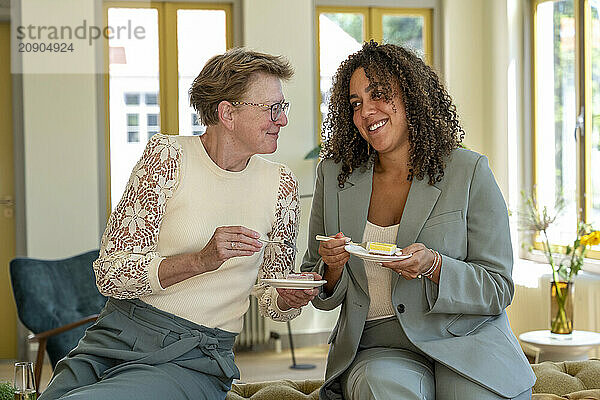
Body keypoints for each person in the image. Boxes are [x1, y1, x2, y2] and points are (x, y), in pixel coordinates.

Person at [39, 48, 320, 400]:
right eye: (272, 109)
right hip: (116, 334)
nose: (283, 120)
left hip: (194, 357)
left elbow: (272, 299)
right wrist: (200, 261)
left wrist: (289, 297)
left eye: (283, 107)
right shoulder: (167, 158)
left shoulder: (281, 185)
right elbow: (110, 273)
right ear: (228, 113)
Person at [301, 41, 535, 400]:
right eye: (355, 103)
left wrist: (435, 266)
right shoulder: (334, 176)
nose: (366, 112)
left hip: (467, 339)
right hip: (379, 346)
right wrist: (331, 267)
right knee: (383, 388)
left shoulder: (469, 171)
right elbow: (317, 286)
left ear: (411, 97)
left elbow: (498, 287)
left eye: (379, 94)